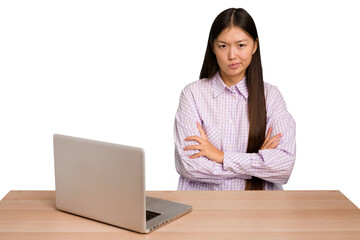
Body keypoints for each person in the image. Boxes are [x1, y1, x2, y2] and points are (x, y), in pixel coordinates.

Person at [174, 8, 296, 191]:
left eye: (241, 45)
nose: (232, 55)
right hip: (204, 208)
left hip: (260, 209)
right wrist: (257, 163)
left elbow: (283, 167)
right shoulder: (192, 94)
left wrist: (221, 156)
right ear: (213, 47)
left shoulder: (271, 96)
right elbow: (190, 166)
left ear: (254, 46)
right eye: (223, 46)